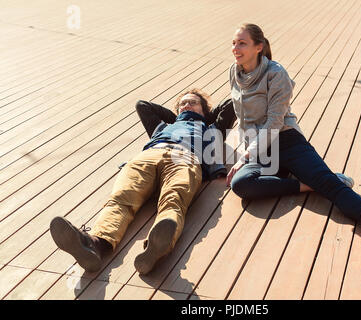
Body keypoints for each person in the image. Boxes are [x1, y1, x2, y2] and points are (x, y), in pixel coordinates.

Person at [226, 23, 361, 245]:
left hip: (286, 140)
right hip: (261, 150)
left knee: (327, 183)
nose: (235, 48)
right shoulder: (235, 72)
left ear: (259, 47)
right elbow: (240, 116)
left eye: (242, 43)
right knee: (241, 184)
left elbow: (274, 122)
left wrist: (245, 156)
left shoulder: (275, 74)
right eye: (234, 43)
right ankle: (310, 185)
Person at [50, 89, 236, 275]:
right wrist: (180, 116)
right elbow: (143, 105)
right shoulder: (163, 126)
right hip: (149, 156)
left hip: (185, 158)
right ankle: (95, 245)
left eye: (193, 103)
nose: (186, 105)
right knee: (121, 199)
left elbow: (231, 104)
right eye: (183, 104)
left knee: (174, 201)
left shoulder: (212, 129)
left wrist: (201, 116)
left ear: (204, 110)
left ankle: (156, 247)